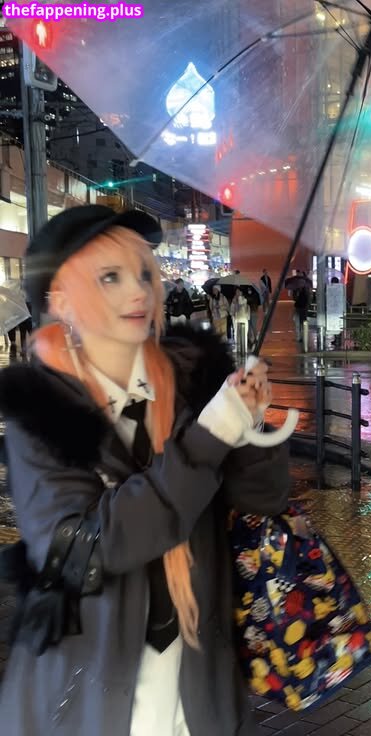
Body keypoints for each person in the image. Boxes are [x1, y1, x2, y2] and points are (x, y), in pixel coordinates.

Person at [0, 204, 289, 736]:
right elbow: (93, 545)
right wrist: (211, 435)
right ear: (61, 300)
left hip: (199, 685)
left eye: (143, 273)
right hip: (86, 698)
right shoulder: (38, 415)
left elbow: (265, 498)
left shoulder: (195, 381)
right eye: (110, 277)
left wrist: (248, 422)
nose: (138, 291)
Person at [230, 287, 250, 353]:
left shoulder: (244, 299)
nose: (237, 293)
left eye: (239, 291)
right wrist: (233, 303)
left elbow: (241, 304)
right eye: (236, 292)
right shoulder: (234, 300)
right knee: (236, 334)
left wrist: (237, 300)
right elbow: (231, 311)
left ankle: (245, 348)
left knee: (244, 334)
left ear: (241, 292)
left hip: (243, 318)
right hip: (236, 319)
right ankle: (237, 348)